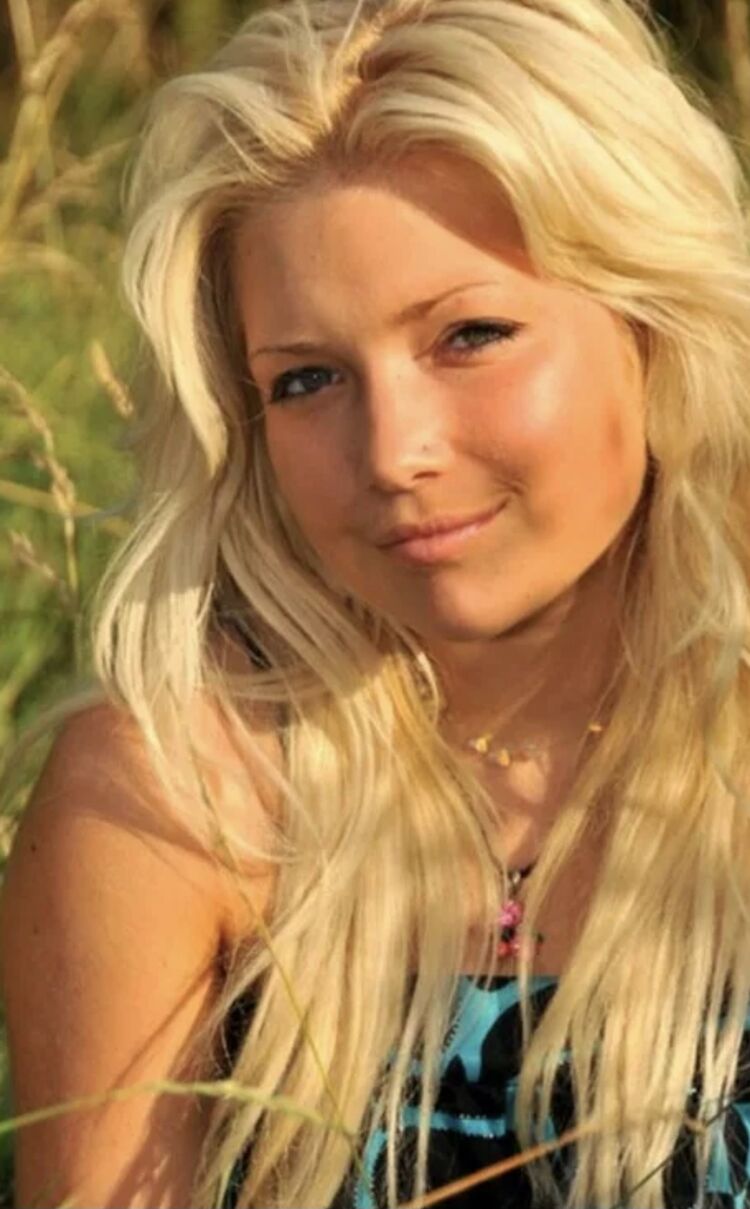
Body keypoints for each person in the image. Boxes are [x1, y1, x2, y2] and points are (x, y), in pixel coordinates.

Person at [2, 0, 750, 1205]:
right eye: (307, 379)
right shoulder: (177, 800)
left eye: (470, 336)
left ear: (653, 322)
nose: (394, 453)